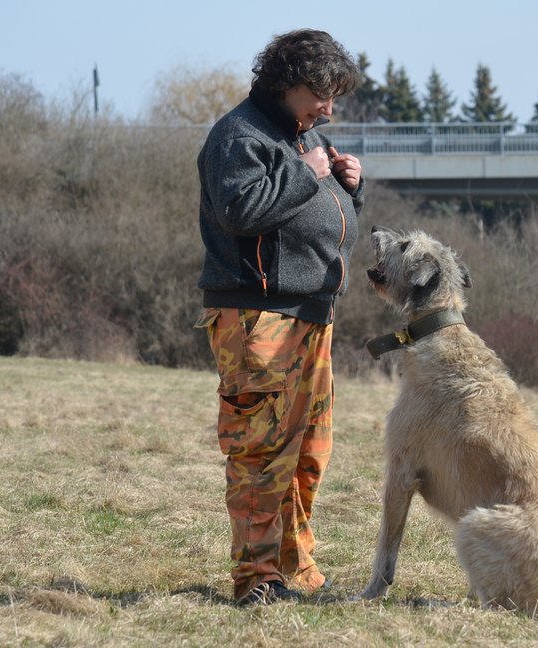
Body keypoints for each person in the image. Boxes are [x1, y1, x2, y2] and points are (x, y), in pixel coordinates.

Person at [193, 28, 363, 605]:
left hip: (312, 317)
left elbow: (312, 216)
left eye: (335, 97)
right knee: (260, 454)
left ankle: (294, 567)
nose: (329, 109)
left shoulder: (301, 136)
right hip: (257, 320)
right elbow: (241, 210)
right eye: (323, 94)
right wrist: (309, 173)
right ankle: (257, 581)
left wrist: (347, 191)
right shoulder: (238, 136)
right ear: (289, 81)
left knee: (308, 454)